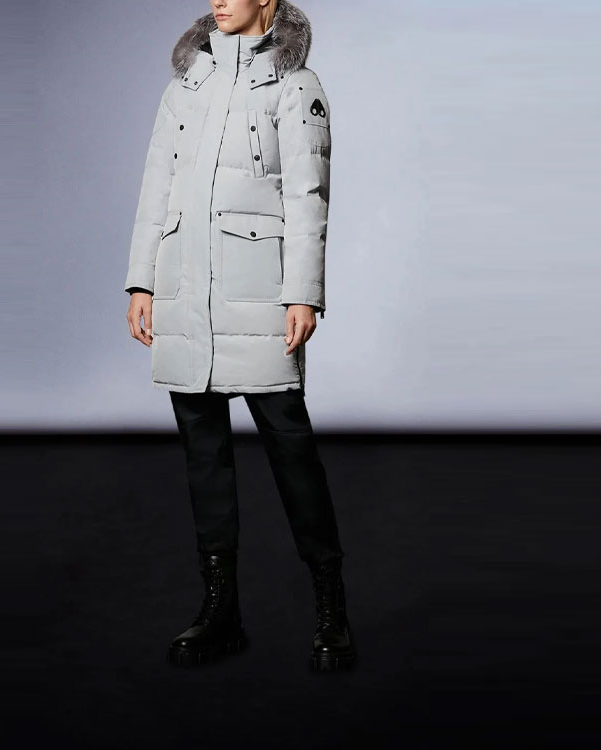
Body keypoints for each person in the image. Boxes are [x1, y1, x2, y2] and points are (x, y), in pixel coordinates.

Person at [124, 0, 355, 672]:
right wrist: (141, 282)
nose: (217, 2)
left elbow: (308, 196)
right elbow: (156, 187)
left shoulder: (297, 86)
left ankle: (332, 610)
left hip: (257, 291)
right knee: (204, 455)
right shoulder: (184, 84)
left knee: (291, 449)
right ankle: (219, 611)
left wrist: (303, 292)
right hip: (183, 289)